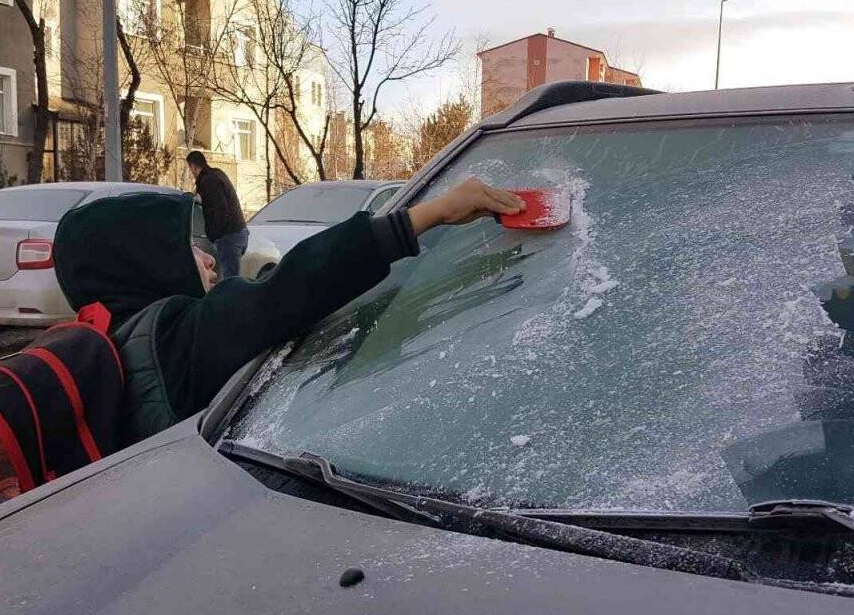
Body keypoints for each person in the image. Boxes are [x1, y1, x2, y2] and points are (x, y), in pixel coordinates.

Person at [53, 177, 524, 449]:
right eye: (189, 248)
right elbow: (300, 284)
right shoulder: (176, 339)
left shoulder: (101, 342)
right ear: (143, 261)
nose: (210, 258)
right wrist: (433, 213)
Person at [185, 151, 247, 280]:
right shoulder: (216, 174)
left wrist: (213, 235)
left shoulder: (209, 181)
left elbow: (220, 210)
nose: (191, 172)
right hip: (238, 233)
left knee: (229, 284)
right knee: (229, 280)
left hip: (229, 237)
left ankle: (230, 301)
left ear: (193, 166)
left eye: (190, 168)